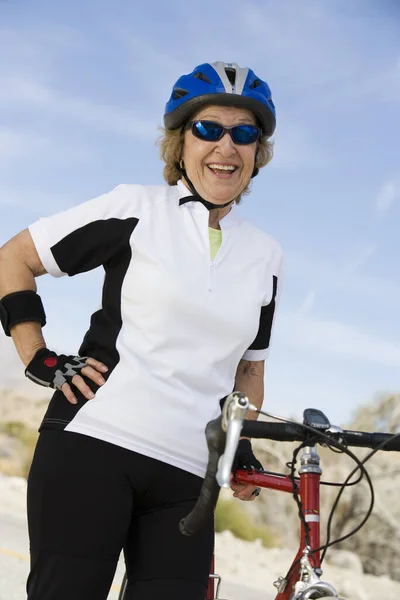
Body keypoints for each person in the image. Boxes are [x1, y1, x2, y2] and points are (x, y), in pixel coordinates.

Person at [0, 61, 283, 600]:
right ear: (180, 143)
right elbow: (13, 258)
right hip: (93, 444)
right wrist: (38, 357)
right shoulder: (136, 207)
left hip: (186, 481)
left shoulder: (267, 256)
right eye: (209, 129)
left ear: (256, 155)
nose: (226, 146)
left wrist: (237, 447)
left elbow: (250, 366)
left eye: (243, 134)